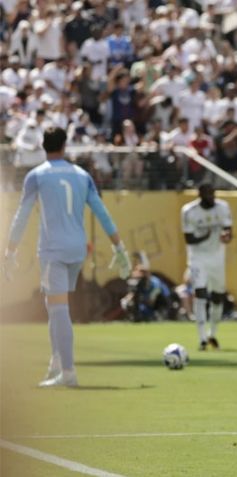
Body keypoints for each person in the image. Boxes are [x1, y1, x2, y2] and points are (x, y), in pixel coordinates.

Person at [2, 126, 131, 387]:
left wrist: (10, 250)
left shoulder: (36, 176)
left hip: (54, 249)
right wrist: (119, 247)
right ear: (64, 145)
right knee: (54, 304)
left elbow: (21, 216)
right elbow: (102, 212)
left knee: (59, 308)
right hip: (77, 249)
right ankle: (57, 362)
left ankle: (68, 372)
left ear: (43, 145)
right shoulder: (82, 175)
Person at [181, 183, 233, 351]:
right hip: (198, 258)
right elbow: (189, 239)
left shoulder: (223, 207)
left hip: (217, 258)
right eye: (208, 194)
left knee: (218, 296)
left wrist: (226, 236)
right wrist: (207, 235)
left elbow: (228, 231)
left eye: (213, 193)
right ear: (200, 194)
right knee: (201, 294)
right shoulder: (189, 211)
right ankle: (202, 337)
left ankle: (213, 334)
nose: (211, 197)